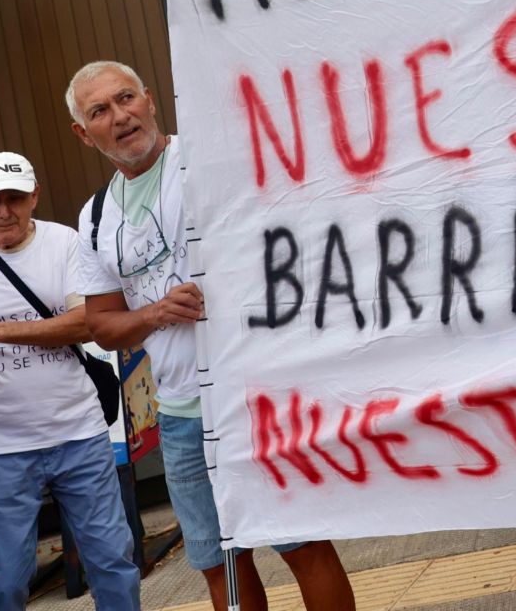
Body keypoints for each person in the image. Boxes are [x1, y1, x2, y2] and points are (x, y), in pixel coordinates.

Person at [66, 60, 355, 611]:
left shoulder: (208, 161)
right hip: (179, 415)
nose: (120, 116)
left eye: (126, 98)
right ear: (84, 133)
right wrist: (153, 314)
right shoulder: (97, 215)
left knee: (304, 546)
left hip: (255, 395)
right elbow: (101, 323)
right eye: (99, 111)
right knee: (219, 561)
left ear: (149, 99)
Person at [0, 151, 141, 611]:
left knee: (113, 562)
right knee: (2, 584)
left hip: (78, 432)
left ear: (35, 196)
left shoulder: (65, 243)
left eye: (15, 198)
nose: (4, 211)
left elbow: (88, 322)